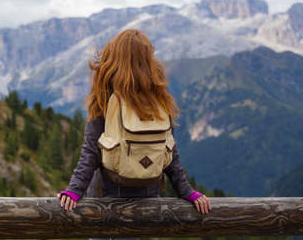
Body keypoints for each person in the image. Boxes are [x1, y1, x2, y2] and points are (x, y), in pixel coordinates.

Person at [57, 29, 211, 216]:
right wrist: (187, 192)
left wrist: (74, 190)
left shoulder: (105, 97)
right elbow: (169, 151)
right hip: (148, 200)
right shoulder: (158, 99)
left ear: (114, 59)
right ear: (147, 61)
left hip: (104, 200)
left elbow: (91, 151)